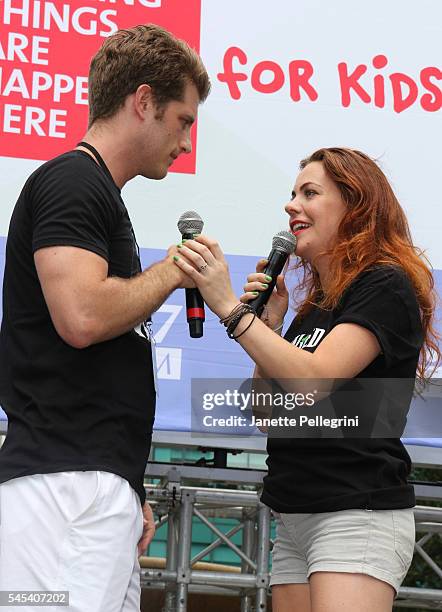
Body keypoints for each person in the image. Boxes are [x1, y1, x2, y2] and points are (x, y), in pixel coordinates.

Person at [172, 147, 441, 612]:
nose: (291, 205)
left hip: (356, 513)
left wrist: (229, 307)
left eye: (309, 193)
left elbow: (315, 381)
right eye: (293, 193)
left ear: (355, 204)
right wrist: (269, 327)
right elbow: (268, 410)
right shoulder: (316, 303)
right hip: (294, 512)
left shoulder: (385, 285)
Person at [0, 24, 210, 611]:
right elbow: (82, 317)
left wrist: (126, 479)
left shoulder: (97, 193)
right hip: (63, 492)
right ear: (143, 101)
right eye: (183, 120)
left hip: (90, 486)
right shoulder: (72, 181)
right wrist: (174, 271)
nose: (185, 142)